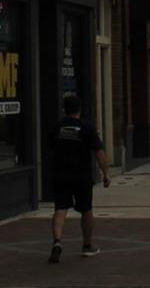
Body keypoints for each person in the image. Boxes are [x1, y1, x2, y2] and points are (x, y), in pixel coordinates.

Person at [47, 91, 110, 263]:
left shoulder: (57, 128)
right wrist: (105, 173)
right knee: (86, 210)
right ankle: (87, 245)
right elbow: (99, 153)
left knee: (60, 209)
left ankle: (57, 242)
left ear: (64, 110)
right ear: (79, 110)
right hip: (81, 176)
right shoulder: (87, 128)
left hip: (60, 175)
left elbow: (50, 149)